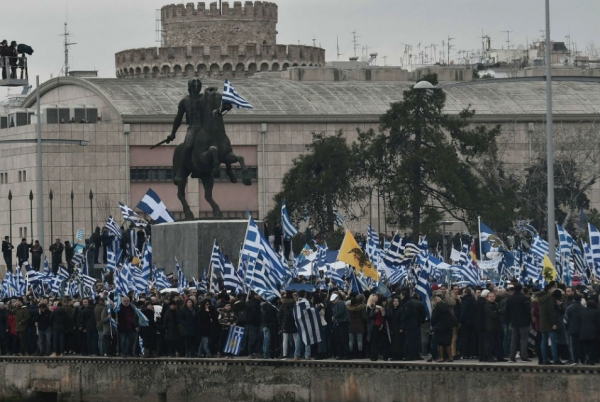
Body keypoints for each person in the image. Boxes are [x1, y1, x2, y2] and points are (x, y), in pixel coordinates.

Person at [506, 283, 532, 363]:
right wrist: (529, 320)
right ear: (521, 289)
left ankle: (512, 357)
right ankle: (523, 356)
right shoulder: (524, 298)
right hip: (523, 322)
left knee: (513, 340)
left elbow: (507, 311)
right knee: (523, 339)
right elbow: (528, 311)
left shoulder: (510, 299)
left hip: (514, 322)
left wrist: (509, 321)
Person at [431, 295, 455, 362]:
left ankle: (441, 358)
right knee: (448, 343)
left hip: (439, 328)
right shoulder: (447, 308)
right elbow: (451, 317)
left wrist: (433, 326)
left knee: (440, 343)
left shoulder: (436, 309)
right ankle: (450, 357)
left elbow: (433, 319)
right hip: (448, 327)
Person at [367, 294, 390, 361]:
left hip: (384, 327)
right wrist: (375, 312)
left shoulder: (386, 309)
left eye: (385, 301)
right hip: (376, 326)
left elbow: (389, 316)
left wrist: (384, 312)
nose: (384, 303)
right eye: (383, 301)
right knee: (375, 342)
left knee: (385, 342)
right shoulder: (375, 308)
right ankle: (374, 356)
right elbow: (371, 316)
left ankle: (385, 356)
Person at [579, 299, 600, 365]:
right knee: (593, 347)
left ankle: (587, 356)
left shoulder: (582, 311)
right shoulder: (596, 312)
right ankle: (592, 359)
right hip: (593, 333)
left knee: (586, 347)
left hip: (583, 333)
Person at [331, 293, 350, 360]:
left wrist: (334, 316)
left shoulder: (341, 304)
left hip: (343, 323)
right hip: (337, 324)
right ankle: (340, 354)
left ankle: (346, 354)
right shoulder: (335, 305)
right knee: (338, 340)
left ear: (337, 298)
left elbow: (340, 312)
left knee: (344, 340)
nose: (333, 302)